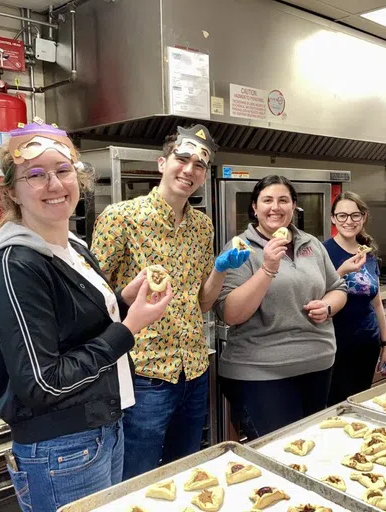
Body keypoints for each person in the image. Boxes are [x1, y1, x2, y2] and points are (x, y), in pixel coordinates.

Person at [0, 120, 172, 512]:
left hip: (102, 429)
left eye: (63, 170)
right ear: (11, 190)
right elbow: (42, 384)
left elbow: (73, 323)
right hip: (61, 448)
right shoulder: (16, 264)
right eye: (35, 174)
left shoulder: (73, 247)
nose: (54, 184)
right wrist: (129, 327)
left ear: (79, 179)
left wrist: (122, 298)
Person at [91, 124, 249, 480]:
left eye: (199, 165)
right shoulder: (121, 218)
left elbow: (204, 303)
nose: (189, 169)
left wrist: (221, 269)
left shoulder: (203, 227)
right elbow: (94, 299)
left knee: (185, 473)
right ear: (162, 163)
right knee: (138, 477)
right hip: (145, 374)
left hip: (194, 370)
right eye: (182, 159)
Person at [215, 175, 347, 440]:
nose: (275, 207)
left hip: (317, 366)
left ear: (293, 205)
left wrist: (328, 306)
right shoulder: (240, 248)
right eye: (267, 200)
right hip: (262, 374)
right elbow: (230, 314)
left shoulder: (311, 243)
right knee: (278, 455)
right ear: (254, 207)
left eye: (283, 200)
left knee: (309, 447)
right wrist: (267, 269)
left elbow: (338, 288)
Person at [323, 191, 386, 405]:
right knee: (334, 406)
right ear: (333, 218)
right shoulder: (323, 252)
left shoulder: (368, 253)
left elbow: (377, 304)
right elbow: (314, 296)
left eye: (355, 215)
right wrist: (342, 272)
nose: (349, 221)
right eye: (342, 215)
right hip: (334, 346)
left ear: (363, 218)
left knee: (359, 402)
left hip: (367, 345)